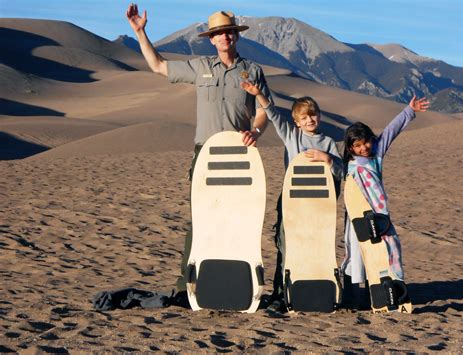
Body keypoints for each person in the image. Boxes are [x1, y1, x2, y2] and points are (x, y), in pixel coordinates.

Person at [126, 4, 273, 304]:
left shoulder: (252, 71)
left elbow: (264, 111)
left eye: (229, 33)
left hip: (238, 155)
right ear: (212, 39)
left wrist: (255, 132)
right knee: (201, 220)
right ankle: (188, 286)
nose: (225, 38)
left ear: (236, 36)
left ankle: (236, 284)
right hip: (204, 153)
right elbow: (158, 66)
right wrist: (141, 32)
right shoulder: (200, 67)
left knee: (237, 219)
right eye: (219, 34)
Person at [241, 82, 344, 312]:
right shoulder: (291, 135)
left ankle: (314, 291)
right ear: (297, 122)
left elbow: (341, 172)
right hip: (291, 202)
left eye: (313, 115)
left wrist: (327, 159)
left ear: (319, 117)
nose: (310, 120)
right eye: (304, 117)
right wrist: (259, 94)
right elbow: (273, 114)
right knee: (286, 246)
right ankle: (280, 294)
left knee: (316, 246)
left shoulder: (328, 143)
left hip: (318, 205)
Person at [341, 95, 430, 309]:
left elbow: (391, 130)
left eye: (366, 142)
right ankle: (353, 297)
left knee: (390, 250)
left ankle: (389, 290)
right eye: (358, 145)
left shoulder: (376, 155)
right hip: (358, 219)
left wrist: (409, 111)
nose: (364, 148)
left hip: (380, 217)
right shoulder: (351, 166)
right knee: (356, 255)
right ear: (351, 148)